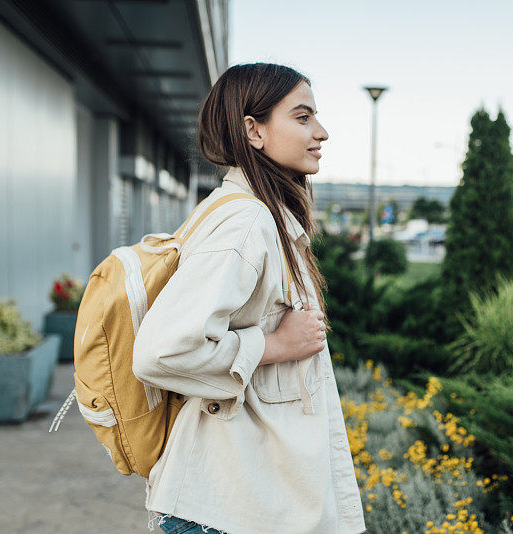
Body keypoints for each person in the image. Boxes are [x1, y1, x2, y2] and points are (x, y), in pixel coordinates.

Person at [132, 63, 367, 534]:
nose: (321, 132)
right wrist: (275, 345)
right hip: (227, 509)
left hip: (247, 501)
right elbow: (161, 351)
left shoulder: (265, 219)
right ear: (253, 130)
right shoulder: (246, 224)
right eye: (302, 118)